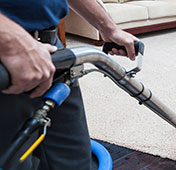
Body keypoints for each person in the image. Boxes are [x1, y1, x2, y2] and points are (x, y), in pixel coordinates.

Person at [0, 0, 138, 169]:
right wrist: (8, 39)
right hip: (8, 58)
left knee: (76, 160)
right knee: (14, 162)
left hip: (50, 46)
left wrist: (109, 28)